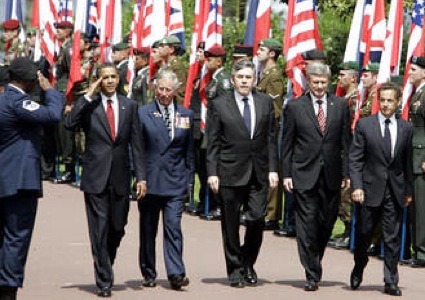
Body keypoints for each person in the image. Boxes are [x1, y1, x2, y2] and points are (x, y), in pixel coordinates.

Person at [64, 63, 146, 298]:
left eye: (113, 77)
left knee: (117, 228)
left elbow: (137, 144)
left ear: (118, 80)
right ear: (98, 80)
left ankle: (105, 261)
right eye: (104, 78)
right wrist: (89, 94)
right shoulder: (90, 105)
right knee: (99, 229)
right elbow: (69, 124)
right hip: (95, 176)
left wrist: (141, 177)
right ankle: (104, 280)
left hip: (120, 176)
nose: (109, 81)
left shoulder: (130, 106)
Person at [207, 60, 278, 288]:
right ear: (233, 80)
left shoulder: (265, 102)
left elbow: (270, 138)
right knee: (230, 224)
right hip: (229, 171)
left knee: (257, 218)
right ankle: (235, 269)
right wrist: (212, 172)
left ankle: (248, 263)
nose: (245, 81)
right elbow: (213, 142)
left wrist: (274, 169)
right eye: (241, 77)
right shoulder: (219, 104)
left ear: (254, 80)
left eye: (249, 77)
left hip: (259, 172)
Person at [281, 62, 350, 291]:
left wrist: (347, 172)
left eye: (323, 82)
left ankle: (315, 258)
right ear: (308, 82)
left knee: (326, 223)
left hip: (331, 174)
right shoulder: (295, 107)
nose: (319, 86)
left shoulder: (340, 105)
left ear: (328, 82)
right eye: (315, 82)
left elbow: (346, 143)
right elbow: (287, 143)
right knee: (306, 223)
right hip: (304, 172)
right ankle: (311, 272)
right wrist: (287, 173)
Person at [0, 57, 64, 299]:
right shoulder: (17, 102)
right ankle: (8, 287)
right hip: (20, 181)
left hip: (5, 177)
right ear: (28, 80)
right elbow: (52, 115)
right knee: (17, 235)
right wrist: (50, 90)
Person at [349, 82, 413, 296]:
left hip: (394, 191)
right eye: (382, 100)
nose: (385, 105)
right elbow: (356, 159)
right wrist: (356, 186)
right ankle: (359, 265)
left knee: (392, 237)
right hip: (369, 189)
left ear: (397, 103)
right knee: (365, 233)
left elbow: (407, 162)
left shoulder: (406, 128)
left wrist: (408, 191)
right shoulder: (365, 125)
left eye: (389, 101)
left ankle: (390, 280)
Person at [137, 70, 193, 290]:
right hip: (150, 182)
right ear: (155, 88)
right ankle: (149, 271)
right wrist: (139, 177)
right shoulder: (143, 113)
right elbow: (138, 149)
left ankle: (176, 273)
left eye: (168, 89)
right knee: (148, 229)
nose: (164, 93)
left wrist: (189, 180)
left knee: (173, 227)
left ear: (176, 90)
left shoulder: (186, 115)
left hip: (176, 182)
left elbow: (189, 153)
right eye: (160, 88)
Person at [328, 61, 360, 250]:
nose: (339, 79)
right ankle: (346, 231)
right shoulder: (345, 97)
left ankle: (349, 232)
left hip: (351, 149)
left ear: (352, 78)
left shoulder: (354, 98)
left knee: (347, 195)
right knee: (341, 195)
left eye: (342, 75)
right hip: (341, 149)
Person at [256, 38, 286, 231]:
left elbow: (275, 108)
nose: (258, 52)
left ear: (272, 53)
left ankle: (272, 214)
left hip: (269, 131)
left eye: (262, 49)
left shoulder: (274, 76)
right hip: (261, 131)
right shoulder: (265, 74)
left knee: (272, 170)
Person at [201, 45, 233, 219]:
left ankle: (221, 205)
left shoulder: (224, 80)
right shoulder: (214, 79)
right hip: (212, 126)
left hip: (219, 129)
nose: (207, 62)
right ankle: (215, 203)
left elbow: (226, 106)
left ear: (219, 61)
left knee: (219, 168)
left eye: (210, 59)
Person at [406, 55, 425, 268]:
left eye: (413, 69)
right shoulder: (418, 94)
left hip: (422, 158)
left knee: (421, 208)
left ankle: (422, 253)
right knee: (416, 207)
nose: (409, 73)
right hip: (416, 156)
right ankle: (417, 250)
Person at [158, 35, 187, 105]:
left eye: (162, 46)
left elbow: (180, 93)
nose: (159, 48)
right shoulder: (167, 65)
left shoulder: (177, 67)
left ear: (171, 49)